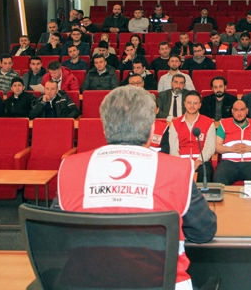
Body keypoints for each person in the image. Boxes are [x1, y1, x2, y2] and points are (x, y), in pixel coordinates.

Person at [55, 86, 217, 289]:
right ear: (151, 130)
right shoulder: (178, 170)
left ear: (105, 128)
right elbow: (204, 232)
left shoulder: (70, 167)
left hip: (84, 283)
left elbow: (56, 235)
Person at [213, 100, 251, 184]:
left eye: (242, 110)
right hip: (228, 162)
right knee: (219, 178)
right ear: (232, 111)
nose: (239, 113)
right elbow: (216, 146)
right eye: (236, 110)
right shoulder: (224, 124)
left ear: (247, 111)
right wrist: (230, 149)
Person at [169, 90, 217, 181]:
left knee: (206, 170)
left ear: (200, 105)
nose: (192, 106)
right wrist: (181, 163)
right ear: (184, 104)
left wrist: (199, 160)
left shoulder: (208, 122)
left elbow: (210, 147)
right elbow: (173, 149)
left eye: (195, 103)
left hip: (201, 161)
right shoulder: (175, 123)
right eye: (189, 102)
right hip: (181, 162)